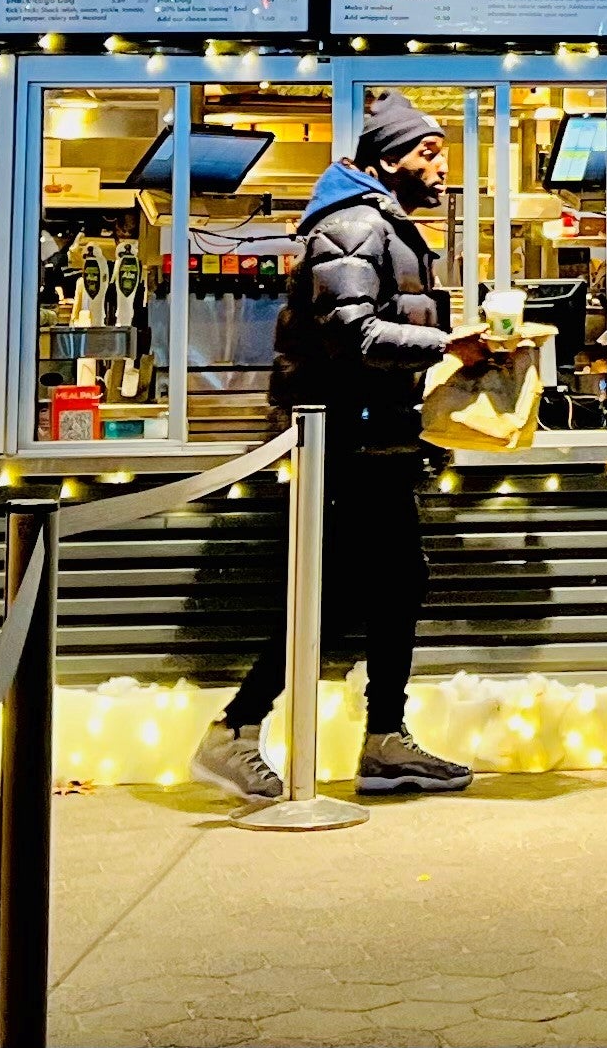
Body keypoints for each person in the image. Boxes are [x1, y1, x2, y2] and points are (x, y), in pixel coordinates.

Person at [190, 94, 488, 803]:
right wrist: (447, 344)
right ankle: (233, 729)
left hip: (373, 438)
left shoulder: (382, 225)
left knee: (396, 582)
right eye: (426, 151)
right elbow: (351, 330)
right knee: (331, 593)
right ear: (388, 159)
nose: (440, 164)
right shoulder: (353, 225)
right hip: (341, 440)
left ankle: (383, 739)